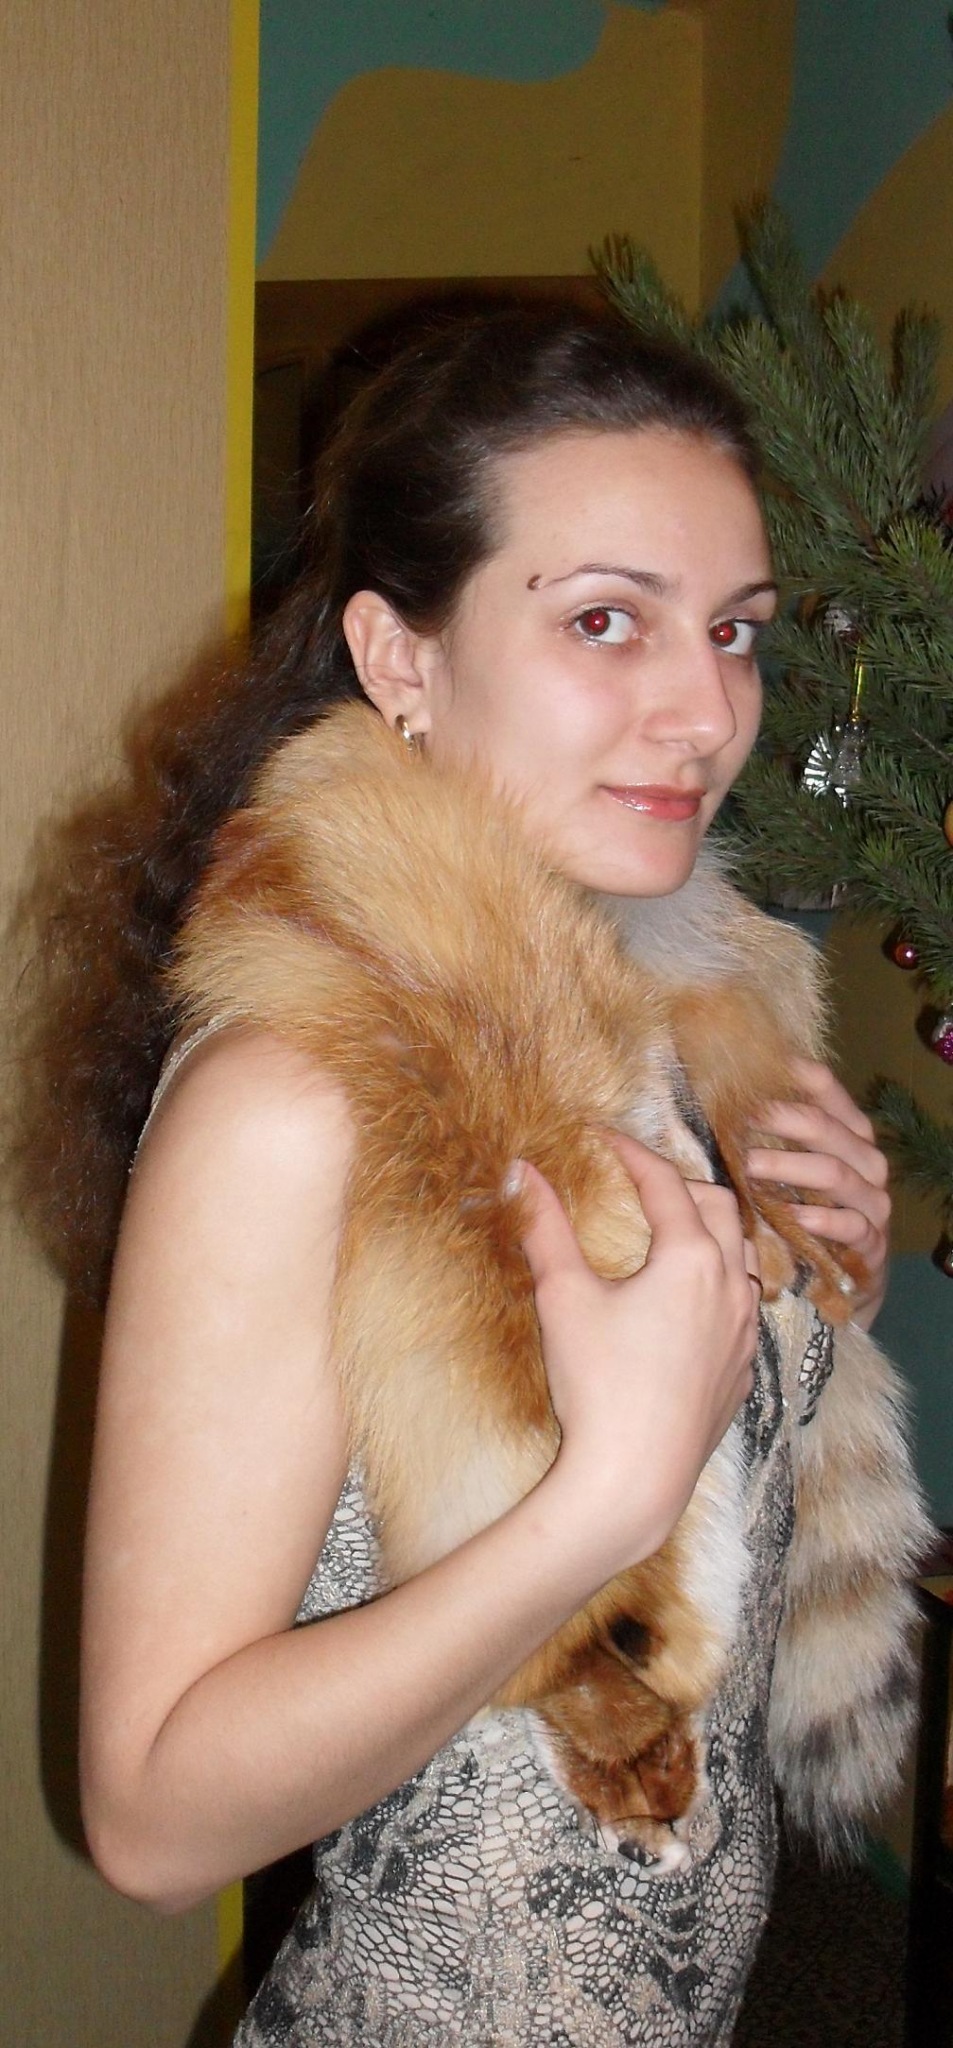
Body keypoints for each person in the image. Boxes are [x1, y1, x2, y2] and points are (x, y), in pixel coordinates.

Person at [22, 300, 919, 2047]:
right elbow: (150, 1819)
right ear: (400, 658)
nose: (704, 711)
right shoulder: (299, 1101)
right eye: (604, 620)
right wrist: (599, 1501)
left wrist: (816, 1283)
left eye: (733, 631)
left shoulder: (677, 1019)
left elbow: (720, 1495)